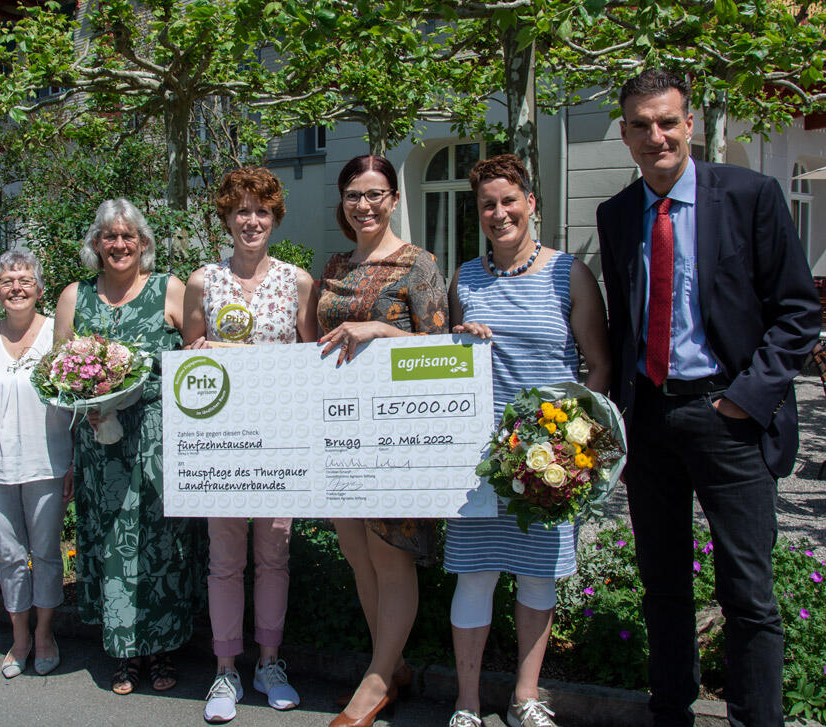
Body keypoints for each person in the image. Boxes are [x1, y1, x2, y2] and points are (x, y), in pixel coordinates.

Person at [597, 69, 820, 727]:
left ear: (689, 124)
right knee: (662, 587)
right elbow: (622, 325)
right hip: (649, 422)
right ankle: (671, 713)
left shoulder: (750, 196)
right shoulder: (616, 215)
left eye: (667, 121)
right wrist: (614, 415)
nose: (656, 136)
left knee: (747, 594)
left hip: (730, 417)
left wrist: (746, 400)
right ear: (625, 134)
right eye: (641, 125)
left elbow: (797, 312)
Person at [444, 155, 610, 727]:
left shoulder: (570, 274)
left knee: (538, 576)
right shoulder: (465, 278)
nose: (499, 213)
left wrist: (573, 443)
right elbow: (448, 364)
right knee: (475, 575)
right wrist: (460, 337)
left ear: (531, 203)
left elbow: (598, 366)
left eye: (509, 200)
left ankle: (524, 698)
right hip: (478, 460)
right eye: (487, 204)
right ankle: (467, 702)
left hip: (548, 460)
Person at [183, 166, 318, 723]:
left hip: (280, 440)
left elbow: (312, 359)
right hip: (221, 443)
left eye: (262, 210)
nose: (252, 220)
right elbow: (190, 359)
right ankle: (224, 670)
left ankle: (269, 663)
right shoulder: (202, 281)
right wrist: (197, 353)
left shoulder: (298, 281)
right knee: (224, 561)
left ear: (275, 218)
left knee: (273, 557)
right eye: (241, 210)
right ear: (226, 217)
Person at [317, 154, 449, 727]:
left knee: (390, 555)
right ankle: (391, 667)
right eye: (353, 195)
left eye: (375, 194)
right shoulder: (335, 264)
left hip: (397, 432)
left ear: (394, 198)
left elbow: (441, 350)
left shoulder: (419, 265)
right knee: (357, 554)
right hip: (342, 428)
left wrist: (381, 329)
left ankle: (374, 684)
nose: (364, 205)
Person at [54, 198, 194, 695]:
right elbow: (58, 373)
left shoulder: (170, 289)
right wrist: (82, 404)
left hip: (158, 439)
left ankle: (163, 648)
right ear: (96, 244)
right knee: (112, 541)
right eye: (109, 236)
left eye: (127, 236)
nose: (118, 244)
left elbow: (197, 362)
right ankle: (123, 652)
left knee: (162, 543)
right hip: (99, 444)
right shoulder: (74, 296)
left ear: (143, 242)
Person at [0, 250, 74, 678]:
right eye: (7, 281)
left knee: (45, 553)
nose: (17, 288)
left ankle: (44, 634)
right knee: (8, 555)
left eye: (25, 280)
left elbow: (73, 396)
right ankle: (19, 636)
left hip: (47, 462)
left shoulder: (56, 333)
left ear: (39, 289)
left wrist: (73, 462)